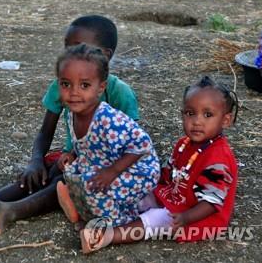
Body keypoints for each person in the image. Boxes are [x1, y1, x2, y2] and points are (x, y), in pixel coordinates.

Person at [0, 16, 141, 234]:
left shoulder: (119, 93)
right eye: (66, 47)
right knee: (40, 175)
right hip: (70, 158)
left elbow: (132, 145)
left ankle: (9, 211)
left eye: (78, 48)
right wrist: (35, 162)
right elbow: (46, 132)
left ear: (105, 55)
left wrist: (91, 163)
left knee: (61, 181)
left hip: (104, 166)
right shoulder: (62, 85)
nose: (68, 54)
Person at [80, 76, 239, 253]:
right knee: (137, 192)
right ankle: (89, 209)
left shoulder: (219, 158)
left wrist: (186, 218)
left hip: (194, 214)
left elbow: (211, 202)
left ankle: (104, 237)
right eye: (190, 113)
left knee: (155, 218)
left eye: (207, 115)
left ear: (225, 120)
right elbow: (168, 173)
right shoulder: (184, 144)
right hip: (171, 196)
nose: (197, 121)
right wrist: (146, 184)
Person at [54, 43, 159, 231]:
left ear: (100, 88)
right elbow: (85, 146)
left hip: (137, 169)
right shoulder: (71, 114)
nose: (74, 93)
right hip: (104, 162)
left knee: (95, 188)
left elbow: (143, 145)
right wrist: (71, 153)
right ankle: (86, 213)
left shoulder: (108, 119)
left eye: (84, 85)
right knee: (72, 174)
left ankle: (117, 221)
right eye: (65, 84)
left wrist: (112, 172)